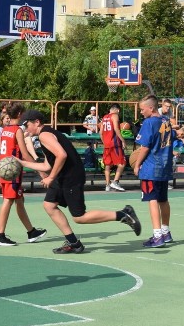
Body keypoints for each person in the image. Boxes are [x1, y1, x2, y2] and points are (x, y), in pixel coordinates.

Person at [18, 109, 142, 254]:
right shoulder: (46, 134)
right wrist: (23, 163)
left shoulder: (45, 135)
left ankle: (123, 214)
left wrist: (50, 177)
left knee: (79, 217)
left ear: (36, 122)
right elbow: (47, 165)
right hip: (63, 175)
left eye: (26, 125)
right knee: (49, 205)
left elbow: (62, 155)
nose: (25, 129)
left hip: (71, 176)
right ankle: (73, 243)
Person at [0, 103, 47, 246]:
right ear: (19, 114)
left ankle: (31, 231)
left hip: (4, 169)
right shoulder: (17, 130)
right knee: (8, 200)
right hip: (12, 172)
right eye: (23, 114)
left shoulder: (4, 130)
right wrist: (41, 171)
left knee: (19, 201)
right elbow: (25, 154)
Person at [131, 95, 175, 247]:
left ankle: (157, 235)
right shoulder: (166, 121)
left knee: (152, 199)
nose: (141, 112)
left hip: (151, 167)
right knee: (163, 199)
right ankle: (165, 232)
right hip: (164, 165)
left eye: (142, 109)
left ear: (151, 108)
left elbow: (145, 147)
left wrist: (137, 164)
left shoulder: (149, 122)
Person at [100, 104, 127, 192]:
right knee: (122, 163)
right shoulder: (115, 116)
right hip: (115, 144)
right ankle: (115, 182)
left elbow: (100, 132)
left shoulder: (104, 117)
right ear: (118, 110)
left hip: (107, 144)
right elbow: (116, 129)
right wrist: (123, 140)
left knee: (108, 165)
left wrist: (104, 142)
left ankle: (107, 185)